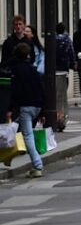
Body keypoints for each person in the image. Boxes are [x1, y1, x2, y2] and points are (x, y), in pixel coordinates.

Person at [5, 43, 45, 177]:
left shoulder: (16, 70)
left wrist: (10, 108)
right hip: (37, 105)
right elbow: (41, 89)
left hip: (25, 106)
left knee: (27, 135)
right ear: (28, 55)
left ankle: (37, 165)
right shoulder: (34, 70)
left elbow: (15, 91)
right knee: (16, 129)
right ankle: (8, 156)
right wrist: (43, 112)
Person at [54, 23, 76, 130]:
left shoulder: (52, 39)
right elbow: (71, 53)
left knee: (55, 95)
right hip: (63, 70)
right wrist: (73, 64)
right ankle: (61, 118)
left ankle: (56, 117)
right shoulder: (67, 40)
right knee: (62, 96)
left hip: (53, 71)